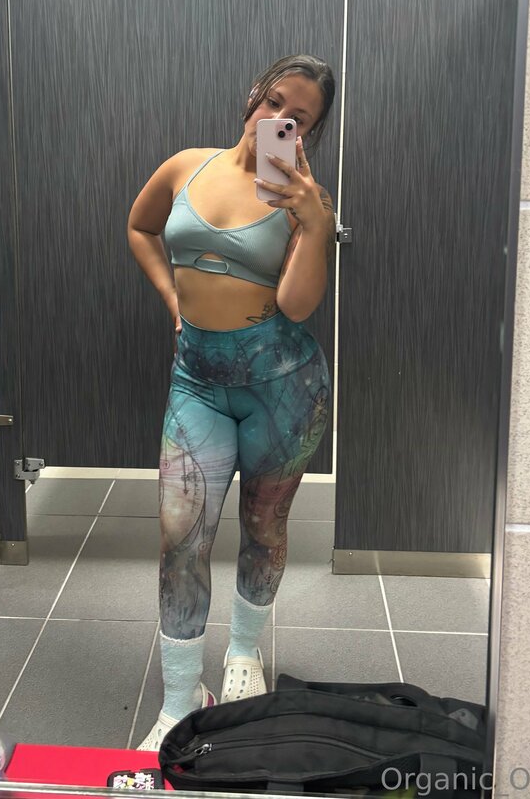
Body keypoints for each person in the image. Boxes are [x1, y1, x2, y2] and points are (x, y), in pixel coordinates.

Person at [127, 54, 337, 751]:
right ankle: (180, 699)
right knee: (180, 538)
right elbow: (140, 228)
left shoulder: (306, 200)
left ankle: (244, 654)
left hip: (283, 390)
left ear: (308, 134)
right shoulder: (186, 167)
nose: (277, 118)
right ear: (253, 96)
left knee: (264, 529)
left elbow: (298, 305)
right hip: (197, 381)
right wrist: (172, 300)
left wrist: (314, 223)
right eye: (273, 100)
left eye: (298, 116)